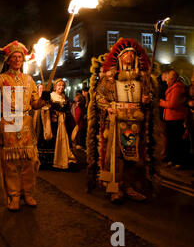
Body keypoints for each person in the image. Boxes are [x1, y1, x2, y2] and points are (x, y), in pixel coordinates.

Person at [88, 38, 156, 203]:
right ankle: (114, 188)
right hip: (116, 122)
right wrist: (109, 107)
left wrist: (147, 99)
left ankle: (129, 186)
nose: (130, 57)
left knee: (133, 157)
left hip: (135, 124)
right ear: (119, 57)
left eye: (133, 55)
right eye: (127, 54)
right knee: (116, 156)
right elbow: (99, 97)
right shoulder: (110, 78)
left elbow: (149, 97)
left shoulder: (141, 78)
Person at [0, 40, 48, 211]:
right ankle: (14, 196)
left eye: (19, 57)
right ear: (8, 60)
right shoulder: (0, 80)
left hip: (26, 124)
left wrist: (44, 99)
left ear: (23, 60)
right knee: (11, 163)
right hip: (8, 123)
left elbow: (35, 104)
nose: (16, 60)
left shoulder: (29, 80)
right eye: (13, 57)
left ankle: (28, 193)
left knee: (29, 161)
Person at [42, 78, 77, 170]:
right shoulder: (51, 96)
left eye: (63, 86)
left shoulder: (64, 97)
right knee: (53, 141)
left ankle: (64, 158)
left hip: (63, 123)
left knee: (64, 140)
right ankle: (51, 161)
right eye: (59, 85)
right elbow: (45, 108)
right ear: (55, 87)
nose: (61, 87)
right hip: (53, 122)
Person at [159, 69, 189, 168]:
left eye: (168, 78)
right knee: (171, 140)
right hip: (170, 118)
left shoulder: (177, 88)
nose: (166, 80)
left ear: (173, 78)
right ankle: (172, 159)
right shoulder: (172, 87)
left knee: (177, 141)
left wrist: (161, 102)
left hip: (176, 118)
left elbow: (173, 104)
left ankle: (178, 161)